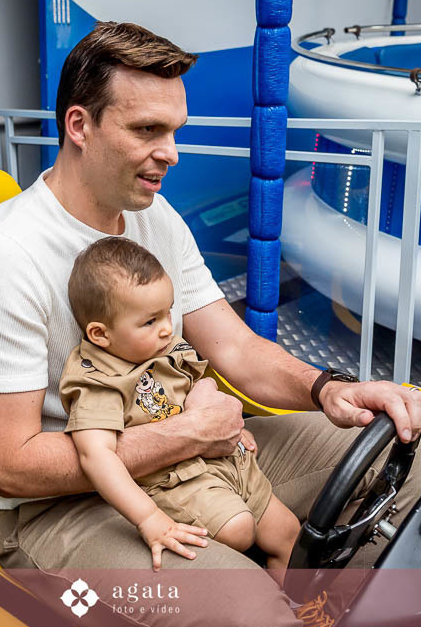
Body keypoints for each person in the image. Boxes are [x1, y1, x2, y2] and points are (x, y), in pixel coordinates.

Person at [0, 21, 421, 627]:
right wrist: (190, 433)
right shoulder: (3, 254)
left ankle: (319, 613)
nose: (171, 153)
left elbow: (232, 345)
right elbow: (14, 464)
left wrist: (330, 389)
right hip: (65, 508)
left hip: (193, 455)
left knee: (399, 445)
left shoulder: (153, 215)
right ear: (79, 126)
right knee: (252, 615)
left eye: (174, 130)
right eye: (147, 130)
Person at [61, 237, 301, 578]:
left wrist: (222, 417)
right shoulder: (99, 382)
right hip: (171, 482)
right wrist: (149, 518)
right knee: (239, 529)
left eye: (168, 312)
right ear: (100, 334)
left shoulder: (164, 348)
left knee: (287, 531)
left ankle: (300, 615)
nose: (166, 328)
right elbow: (95, 457)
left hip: (225, 462)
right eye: (149, 321)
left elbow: (198, 384)